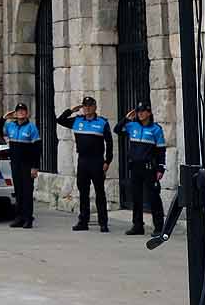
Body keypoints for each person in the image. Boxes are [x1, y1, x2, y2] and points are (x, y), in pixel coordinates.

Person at [57, 96, 115, 233]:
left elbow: (110, 143)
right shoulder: (77, 121)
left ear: (95, 107)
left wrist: (107, 161)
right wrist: (71, 110)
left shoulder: (102, 122)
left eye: (90, 106)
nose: (87, 108)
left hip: (97, 161)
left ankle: (103, 223)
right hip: (83, 161)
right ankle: (83, 221)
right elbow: (60, 120)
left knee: (100, 193)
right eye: (85, 106)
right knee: (83, 193)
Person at [118, 102, 167, 236]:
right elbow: (117, 130)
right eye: (138, 111)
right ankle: (138, 225)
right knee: (136, 197)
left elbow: (161, 150)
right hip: (135, 167)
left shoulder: (156, 129)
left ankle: (159, 227)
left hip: (149, 167)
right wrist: (126, 118)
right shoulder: (132, 125)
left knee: (153, 197)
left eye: (143, 111)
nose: (140, 114)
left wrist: (161, 169)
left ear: (149, 113)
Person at [3, 102, 42, 228]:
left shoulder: (31, 127)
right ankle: (19, 217)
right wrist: (4, 118)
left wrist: (35, 167)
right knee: (18, 192)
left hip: (27, 165)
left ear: (27, 113)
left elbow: (37, 149)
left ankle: (28, 218)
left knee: (27, 192)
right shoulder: (10, 126)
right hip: (15, 164)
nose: (21, 112)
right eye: (19, 111)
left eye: (23, 111)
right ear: (15, 113)